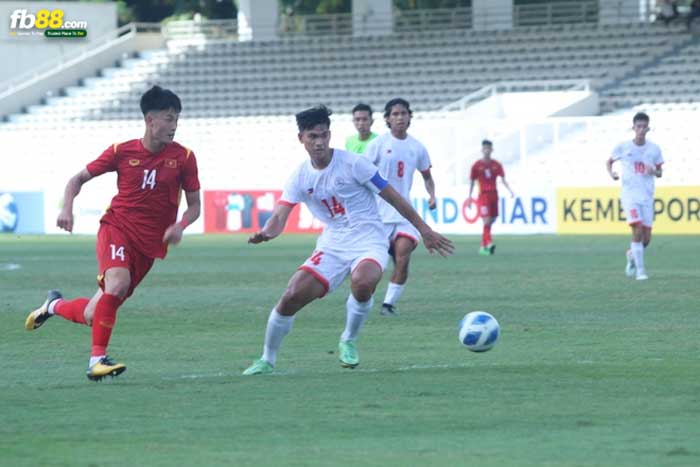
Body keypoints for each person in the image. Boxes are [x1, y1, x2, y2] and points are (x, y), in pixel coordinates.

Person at [242, 105, 453, 375]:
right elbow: (280, 215)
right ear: (301, 139)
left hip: (369, 239)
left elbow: (393, 196)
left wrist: (424, 230)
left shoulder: (355, 164)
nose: (319, 142)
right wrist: (268, 232)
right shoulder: (299, 176)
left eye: (323, 135)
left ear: (329, 135)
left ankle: (348, 339)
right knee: (291, 296)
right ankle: (267, 360)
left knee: (363, 282)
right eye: (312, 137)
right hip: (333, 244)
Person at [24, 85, 201, 381]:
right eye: (169, 118)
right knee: (117, 284)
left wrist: (180, 226)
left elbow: (195, 206)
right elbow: (76, 179)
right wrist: (66, 208)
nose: (174, 126)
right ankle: (97, 361)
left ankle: (52, 305)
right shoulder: (121, 151)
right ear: (150, 119)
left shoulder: (184, 157)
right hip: (117, 228)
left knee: (95, 315)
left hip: (149, 247)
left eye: (177, 119)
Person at [364, 97, 437, 317]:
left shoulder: (417, 147)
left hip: (404, 215)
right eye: (395, 114)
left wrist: (432, 194)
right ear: (387, 119)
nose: (400, 118)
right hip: (378, 215)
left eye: (404, 113)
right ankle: (362, 301)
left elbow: (427, 177)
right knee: (372, 267)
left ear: (409, 117)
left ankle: (388, 305)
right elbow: (361, 173)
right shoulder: (377, 145)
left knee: (403, 256)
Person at [606, 112, 663, 281]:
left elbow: (660, 172)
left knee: (646, 240)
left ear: (648, 128)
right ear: (633, 128)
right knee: (636, 230)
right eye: (638, 126)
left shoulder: (654, 149)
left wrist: (654, 170)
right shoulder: (623, 147)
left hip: (646, 196)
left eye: (644, 127)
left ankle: (631, 255)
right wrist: (612, 174)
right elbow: (609, 162)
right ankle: (640, 272)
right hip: (629, 195)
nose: (641, 129)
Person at [468, 139, 514, 256]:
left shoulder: (496, 165)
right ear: (482, 150)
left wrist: (510, 191)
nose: (487, 150)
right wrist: (469, 197)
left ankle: (483, 247)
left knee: (492, 219)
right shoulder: (477, 166)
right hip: (483, 196)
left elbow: (503, 179)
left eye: (489, 148)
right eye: (485, 148)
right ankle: (489, 243)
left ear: (491, 150)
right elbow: (472, 182)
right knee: (487, 220)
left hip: (494, 195)